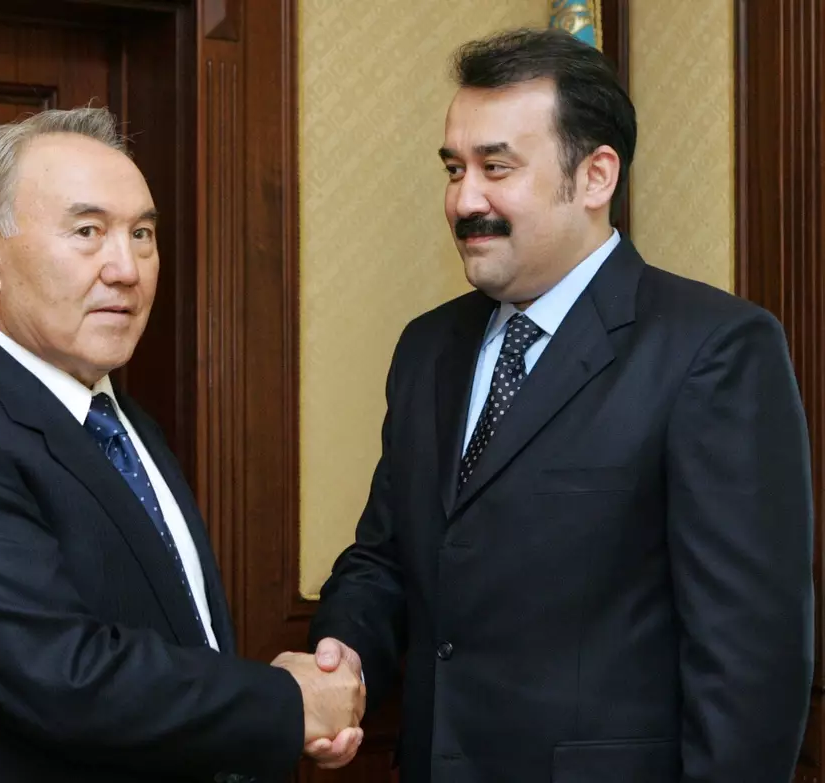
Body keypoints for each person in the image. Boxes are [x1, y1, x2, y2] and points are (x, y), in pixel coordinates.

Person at [309, 28, 814, 782]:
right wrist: (341, 656)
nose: (463, 199)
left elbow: (750, 660)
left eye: (496, 168)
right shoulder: (427, 348)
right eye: (454, 169)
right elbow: (386, 555)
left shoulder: (713, 349)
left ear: (596, 176)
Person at [0, 107, 363, 783]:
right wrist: (287, 704)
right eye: (88, 231)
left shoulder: (123, 421)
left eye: (142, 234)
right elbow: (59, 674)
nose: (126, 268)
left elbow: (178, 644)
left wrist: (282, 711)